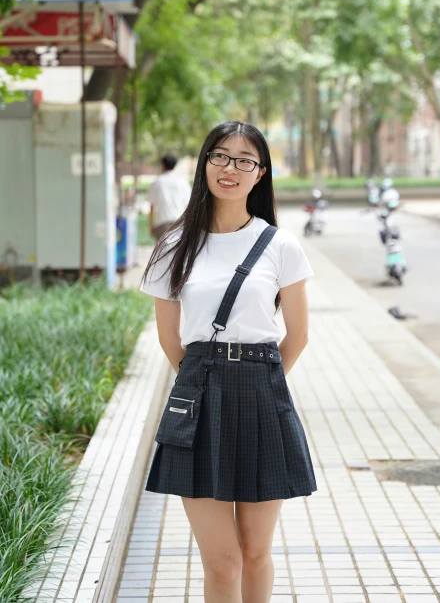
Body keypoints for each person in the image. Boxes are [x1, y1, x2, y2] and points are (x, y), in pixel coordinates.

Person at [140, 120, 316, 603]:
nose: (230, 168)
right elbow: (169, 339)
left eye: (245, 160)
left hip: (263, 395)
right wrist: (204, 383)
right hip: (199, 400)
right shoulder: (173, 246)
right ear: (204, 164)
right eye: (220, 156)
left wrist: (258, 382)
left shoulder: (280, 245)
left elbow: (297, 337)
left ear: (260, 174)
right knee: (223, 562)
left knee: (256, 552)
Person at [148, 153, 191, 240]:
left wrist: (151, 226)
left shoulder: (157, 182)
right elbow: (188, 205)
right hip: (179, 223)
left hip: (162, 223)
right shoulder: (182, 182)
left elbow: (152, 206)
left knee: (163, 252)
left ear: (162, 165)